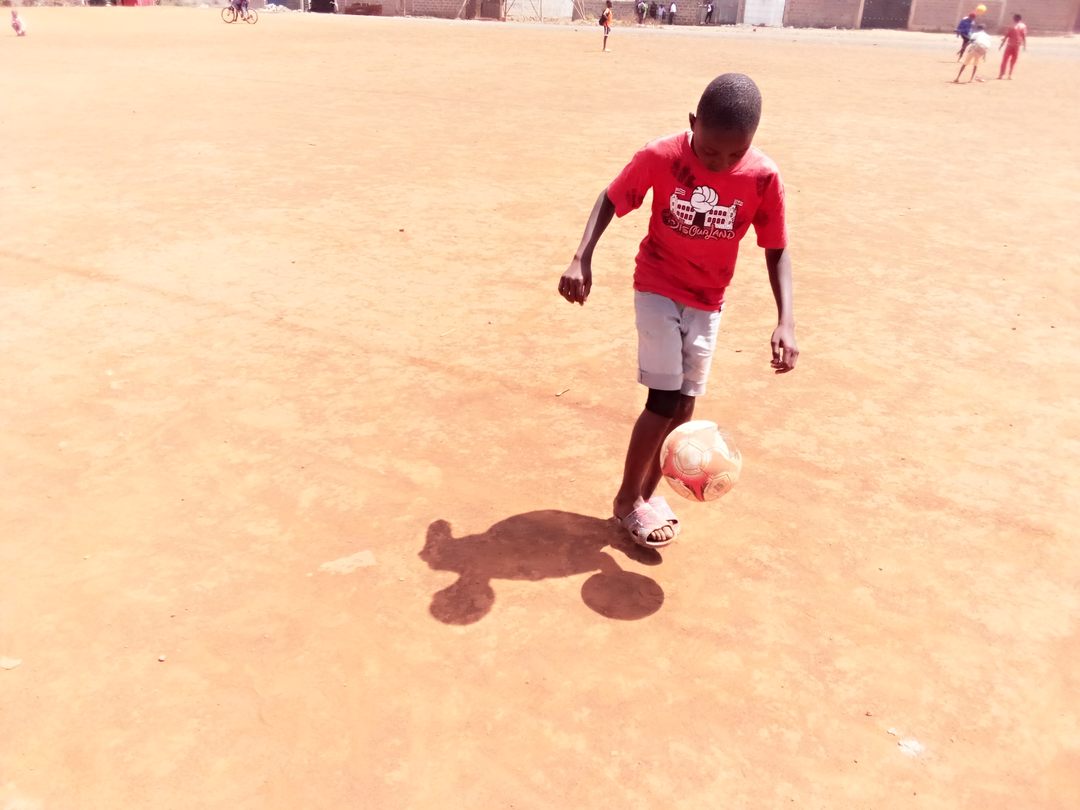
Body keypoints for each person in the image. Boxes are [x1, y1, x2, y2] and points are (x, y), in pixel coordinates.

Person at [557, 73, 798, 548]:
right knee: (663, 399)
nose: (720, 163)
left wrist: (785, 320)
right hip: (658, 285)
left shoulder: (763, 177)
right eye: (709, 152)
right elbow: (611, 198)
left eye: (734, 154)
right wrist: (581, 257)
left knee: (686, 402)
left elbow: (776, 248)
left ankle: (647, 496)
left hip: (708, 298)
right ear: (692, 123)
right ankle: (627, 499)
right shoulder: (661, 155)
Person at [998, 14, 1027, 79]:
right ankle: (1010, 75)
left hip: (1010, 45)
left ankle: (1001, 75)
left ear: (1014, 19)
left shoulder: (1011, 26)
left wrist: (1001, 45)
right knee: (1013, 61)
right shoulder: (1023, 26)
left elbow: (1006, 36)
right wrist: (1024, 45)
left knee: (1005, 60)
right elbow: (1024, 36)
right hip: (1017, 46)